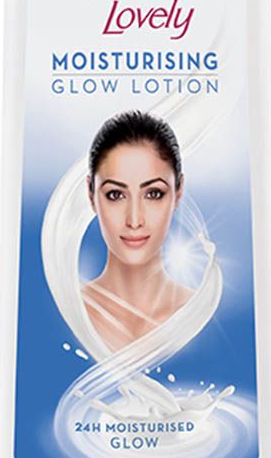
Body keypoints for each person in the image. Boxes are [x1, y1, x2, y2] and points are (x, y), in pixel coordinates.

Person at [82, 110, 194, 350]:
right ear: (91, 195)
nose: (134, 220)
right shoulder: (67, 313)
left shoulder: (202, 316)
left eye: (153, 194)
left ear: (178, 191)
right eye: (116, 195)